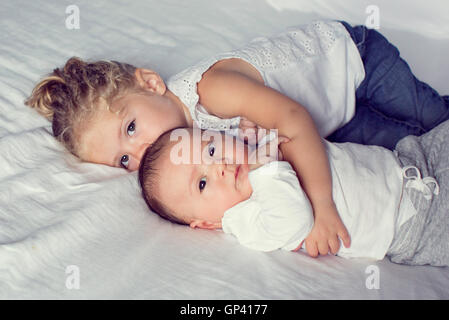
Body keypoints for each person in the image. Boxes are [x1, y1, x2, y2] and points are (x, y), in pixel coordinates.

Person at [25, 20, 449, 257]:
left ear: (151, 83)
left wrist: (321, 207)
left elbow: (293, 118)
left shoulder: (212, 91)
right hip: (326, 128)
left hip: (354, 66)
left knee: (433, 117)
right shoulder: (189, 156)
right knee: (409, 148)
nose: (138, 153)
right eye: (122, 160)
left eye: (131, 129)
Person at [138, 124, 448, 267]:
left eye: (211, 149)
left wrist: (258, 137)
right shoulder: (244, 220)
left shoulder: (256, 153)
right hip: (413, 222)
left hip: (410, 158)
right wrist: (264, 169)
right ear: (205, 223)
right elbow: (294, 219)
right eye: (202, 184)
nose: (218, 166)